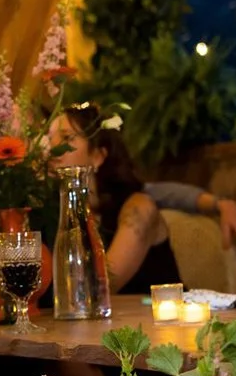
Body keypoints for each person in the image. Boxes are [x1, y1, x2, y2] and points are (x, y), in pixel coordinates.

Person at [49, 104, 182, 294]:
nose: (52, 149)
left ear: (97, 156)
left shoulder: (138, 207)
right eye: (48, 139)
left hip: (160, 320)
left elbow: (98, 288)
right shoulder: (53, 215)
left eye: (66, 138)